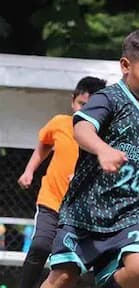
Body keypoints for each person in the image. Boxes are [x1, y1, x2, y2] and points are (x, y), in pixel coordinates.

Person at [41, 28, 139, 288]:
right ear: (125, 65)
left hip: (133, 212)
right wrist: (102, 149)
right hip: (85, 212)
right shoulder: (108, 98)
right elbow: (81, 127)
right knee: (63, 278)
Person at [17, 76, 107, 288]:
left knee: (73, 264)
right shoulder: (60, 123)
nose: (84, 110)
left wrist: (85, 178)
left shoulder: (104, 136)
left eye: (91, 107)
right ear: (72, 101)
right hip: (52, 201)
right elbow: (44, 144)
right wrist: (29, 171)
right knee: (40, 245)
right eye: (81, 105)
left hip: (82, 210)